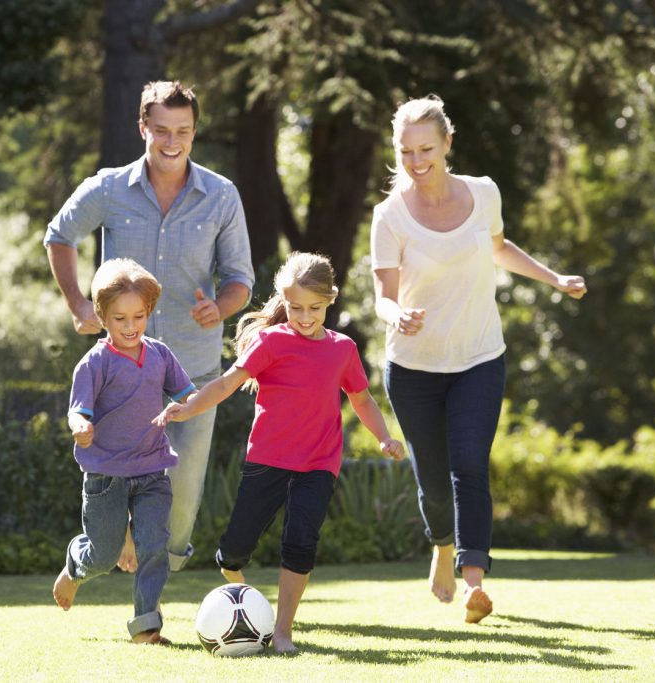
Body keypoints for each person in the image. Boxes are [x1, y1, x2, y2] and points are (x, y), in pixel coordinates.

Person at [369, 95, 587, 624]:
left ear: (447, 143)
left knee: (470, 465)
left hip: (479, 358)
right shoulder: (389, 215)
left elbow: (500, 248)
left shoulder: (484, 193)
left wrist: (554, 279)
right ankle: (441, 545)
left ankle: (474, 584)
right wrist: (394, 315)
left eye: (426, 149)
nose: (417, 161)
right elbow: (382, 293)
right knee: (435, 484)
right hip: (414, 368)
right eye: (406, 152)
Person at [44, 80, 254, 573]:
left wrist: (220, 308)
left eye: (182, 130)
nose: (171, 141)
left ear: (195, 132)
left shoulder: (221, 196)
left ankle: (164, 559)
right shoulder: (110, 189)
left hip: (193, 373)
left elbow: (240, 279)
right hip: (121, 373)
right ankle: (128, 565)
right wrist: (78, 303)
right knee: (114, 493)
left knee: (181, 498)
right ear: (143, 128)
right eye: (160, 129)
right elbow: (59, 235)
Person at [154, 252, 406, 653]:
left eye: (315, 308)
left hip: (319, 463)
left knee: (301, 541)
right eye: (296, 307)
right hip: (267, 459)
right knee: (233, 551)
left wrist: (383, 436)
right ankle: (251, 605)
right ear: (283, 301)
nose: (305, 317)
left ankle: (283, 630)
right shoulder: (270, 341)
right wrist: (189, 407)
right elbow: (227, 383)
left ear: (331, 300)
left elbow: (361, 399)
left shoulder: (342, 349)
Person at [52, 258, 196, 645]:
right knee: (104, 555)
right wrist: (80, 427)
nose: (131, 326)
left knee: (153, 547)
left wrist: (187, 406)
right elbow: (77, 410)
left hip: (152, 470)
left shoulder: (161, 355)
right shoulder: (94, 363)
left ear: (148, 312)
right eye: (120, 319)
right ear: (102, 316)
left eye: (138, 316)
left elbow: (187, 394)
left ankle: (146, 627)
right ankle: (76, 565)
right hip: (105, 477)